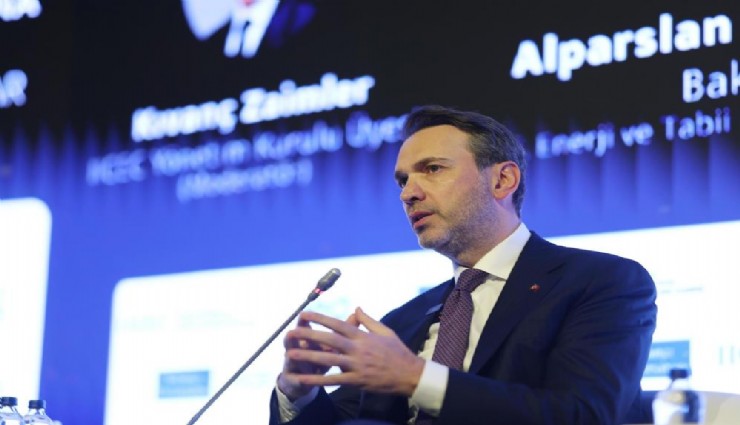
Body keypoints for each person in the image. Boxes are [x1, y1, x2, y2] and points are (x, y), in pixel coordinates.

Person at [269, 105, 657, 425]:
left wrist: (415, 376)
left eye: (432, 169)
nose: (408, 194)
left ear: (503, 180)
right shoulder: (403, 322)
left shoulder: (600, 282)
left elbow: (585, 414)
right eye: (402, 180)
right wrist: (297, 391)